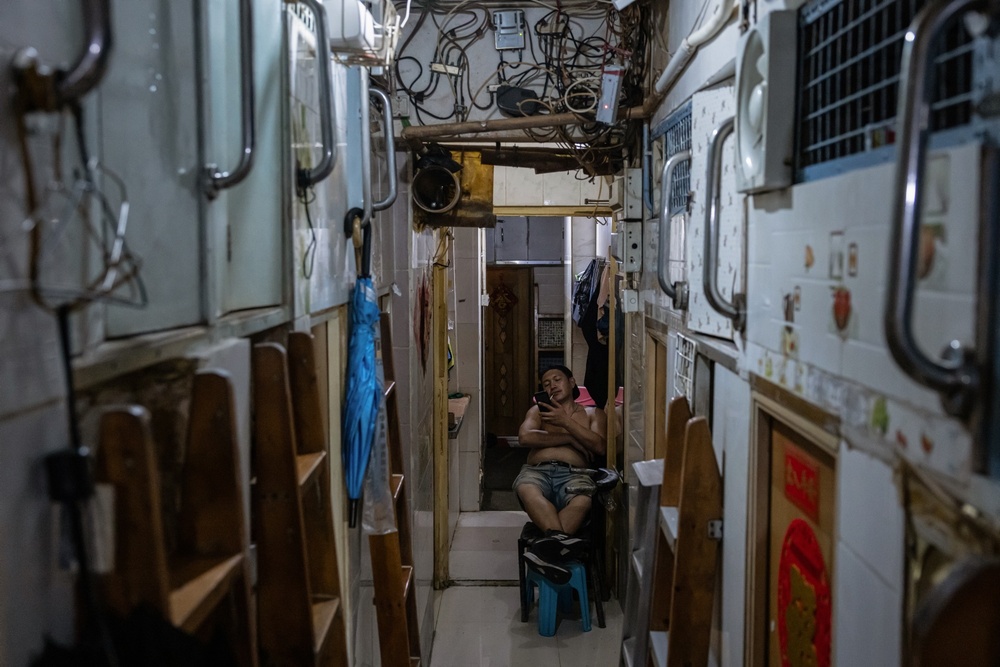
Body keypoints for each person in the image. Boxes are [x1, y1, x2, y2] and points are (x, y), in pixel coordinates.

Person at [513, 365, 611, 584]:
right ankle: (559, 547)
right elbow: (525, 437)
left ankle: (545, 553)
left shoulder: (593, 413)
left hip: (576, 474)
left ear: (572, 382)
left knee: (583, 499)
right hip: (537, 471)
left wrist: (565, 422)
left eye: (557, 380)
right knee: (527, 488)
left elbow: (600, 446)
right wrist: (569, 439)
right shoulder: (539, 412)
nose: (552, 386)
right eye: (546, 384)